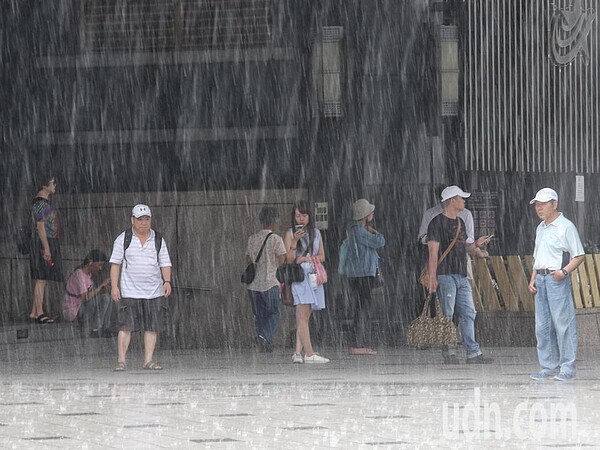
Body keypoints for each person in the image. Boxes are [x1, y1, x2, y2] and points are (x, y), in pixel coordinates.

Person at [426, 186, 493, 364]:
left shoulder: (460, 222)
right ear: (452, 200)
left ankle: (473, 352)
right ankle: (449, 351)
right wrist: (432, 277)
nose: (464, 201)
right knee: (447, 314)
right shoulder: (436, 222)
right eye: (461, 198)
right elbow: (433, 253)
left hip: (461, 275)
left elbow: (466, 247)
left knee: (469, 312)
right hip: (445, 274)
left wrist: (476, 245)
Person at [528, 188, 584, 381]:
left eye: (543, 204)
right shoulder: (540, 228)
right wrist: (532, 278)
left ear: (555, 204)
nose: (539, 208)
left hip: (556, 279)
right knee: (542, 326)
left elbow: (579, 255)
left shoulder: (565, 226)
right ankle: (547, 366)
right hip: (541, 280)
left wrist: (564, 272)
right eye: (537, 204)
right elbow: (537, 256)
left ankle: (567, 367)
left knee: (563, 323)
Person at [110, 204, 172, 371]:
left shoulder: (158, 239)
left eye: (146, 219)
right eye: (140, 220)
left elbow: (165, 263)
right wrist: (114, 286)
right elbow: (115, 264)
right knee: (125, 326)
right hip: (130, 290)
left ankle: (148, 360)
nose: (143, 223)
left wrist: (167, 281)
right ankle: (121, 360)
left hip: (154, 290)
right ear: (132, 220)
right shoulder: (124, 239)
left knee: (152, 326)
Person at [283, 200, 329, 364]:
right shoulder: (289, 233)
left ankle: (297, 352)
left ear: (309, 216)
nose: (301, 219)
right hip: (299, 277)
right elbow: (288, 259)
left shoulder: (316, 233)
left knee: (304, 316)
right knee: (302, 316)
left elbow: (323, 256)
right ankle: (309, 354)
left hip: (314, 276)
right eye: (297, 216)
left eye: (304, 215)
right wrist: (295, 242)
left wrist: (308, 258)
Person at [344, 199, 385, 355]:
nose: (373, 214)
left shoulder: (354, 230)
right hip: (363, 275)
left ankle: (357, 342)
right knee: (362, 309)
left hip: (356, 274)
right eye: (371, 212)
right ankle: (358, 344)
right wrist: (376, 232)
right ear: (366, 215)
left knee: (359, 308)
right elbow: (380, 242)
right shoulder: (360, 232)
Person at [244, 207, 287, 352]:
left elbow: (248, 259)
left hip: (254, 285)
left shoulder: (252, 238)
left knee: (259, 315)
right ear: (274, 222)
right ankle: (263, 338)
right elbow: (282, 260)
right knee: (274, 313)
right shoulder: (276, 239)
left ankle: (263, 342)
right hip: (270, 282)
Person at [29, 174, 64, 324]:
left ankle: (34, 311)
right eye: (52, 183)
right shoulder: (41, 203)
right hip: (45, 241)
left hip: (48, 241)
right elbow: (40, 227)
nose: (54, 186)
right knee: (41, 278)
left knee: (43, 278)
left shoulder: (42, 203)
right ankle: (39, 312)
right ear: (44, 186)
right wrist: (47, 248)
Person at [63, 250, 115, 337]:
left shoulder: (89, 275)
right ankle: (93, 328)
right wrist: (101, 286)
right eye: (99, 265)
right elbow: (86, 297)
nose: (100, 268)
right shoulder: (79, 275)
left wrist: (105, 289)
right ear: (91, 262)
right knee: (100, 300)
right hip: (73, 310)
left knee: (107, 298)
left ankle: (104, 327)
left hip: (82, 308)